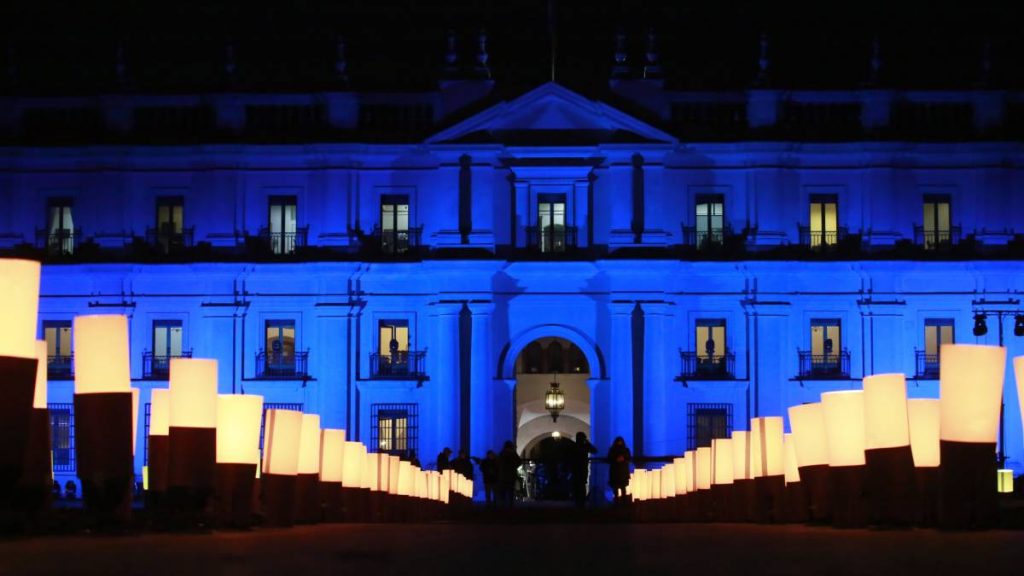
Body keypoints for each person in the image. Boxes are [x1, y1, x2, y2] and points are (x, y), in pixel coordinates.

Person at [570, 432, 597, 509]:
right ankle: (580, 502)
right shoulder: (582, 446)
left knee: (579, 485)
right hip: (580, 467)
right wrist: (588, 443)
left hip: (578, 468)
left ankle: (579, 502)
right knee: (580, 485)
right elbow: (594, 450)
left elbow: (594, 451)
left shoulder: (575, 446)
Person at [607, 436, 632, 504]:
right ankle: (619, 503)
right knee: (617, 489)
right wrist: (617, 459)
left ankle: (621, 503)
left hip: (620, 471)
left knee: (621, 488)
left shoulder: (614, 450)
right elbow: (609, 459)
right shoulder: (624, 450)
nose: (619, 443)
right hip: (618, 471)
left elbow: (629, 458)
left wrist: (622, 459)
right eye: (618, 441)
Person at [496, 441, 521, 507]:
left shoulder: (502, 453)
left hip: (503, 475)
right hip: (511, 475)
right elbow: (519, 462)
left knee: (503, 492)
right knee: (510, 491)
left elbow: (498, 463)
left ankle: (503, 505)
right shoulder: (513, 454)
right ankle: (510, 504)